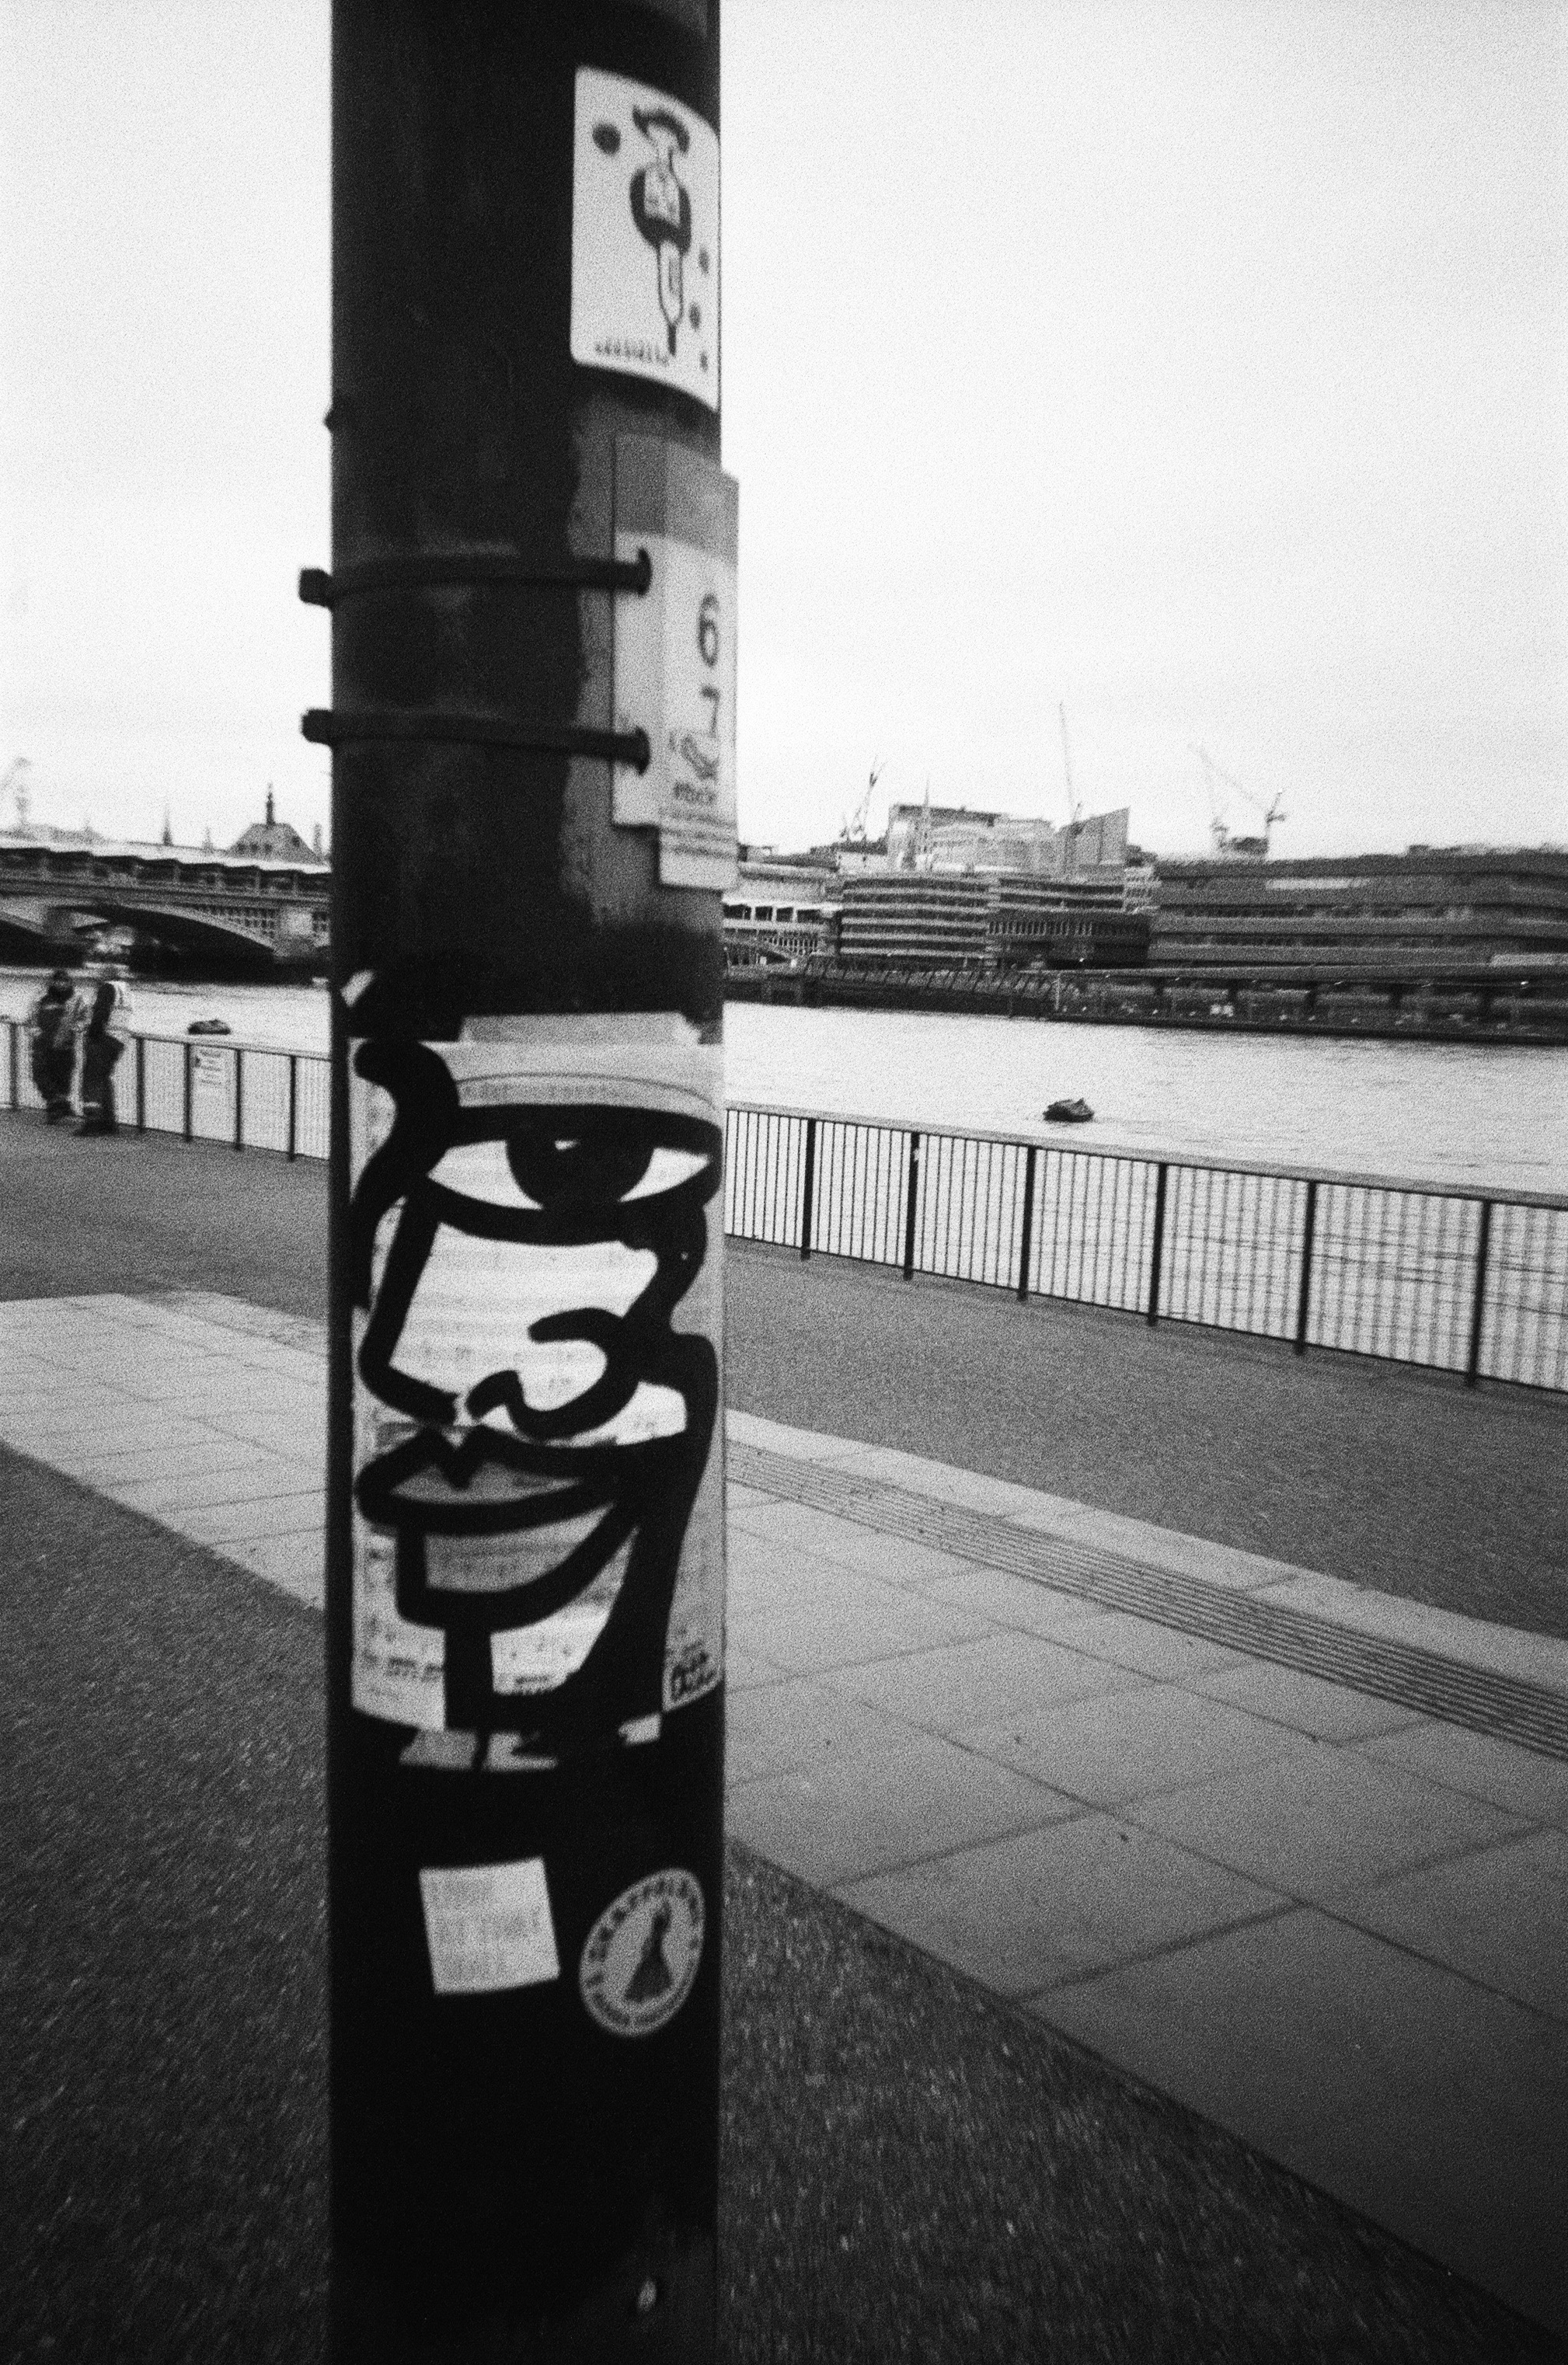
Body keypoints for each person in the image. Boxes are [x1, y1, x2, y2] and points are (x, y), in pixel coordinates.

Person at [75, 980, 126, 1136]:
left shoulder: (107, 988)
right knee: (104, 1079)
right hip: (119, 1039)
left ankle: (93, 1122)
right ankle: (109, 1122)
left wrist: (92, 1034)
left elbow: (101, 1013)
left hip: (103, 1039)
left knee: (91, 1079)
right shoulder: (125, 990)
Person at [27, 968, 78, 1121]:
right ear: (53, 982)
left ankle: (56, 1108)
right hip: (43, 1044)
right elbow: (31, 1017)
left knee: (62, 1077)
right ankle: (59, 1103)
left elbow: (84, 1018)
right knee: (39, 1073)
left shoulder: (75, 999)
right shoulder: (42, 998)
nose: (61, 984)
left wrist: (75, 1029)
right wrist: (35, 1032)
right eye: (58, 981)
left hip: (65, 1045)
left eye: (65, 981)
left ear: (69, 983)